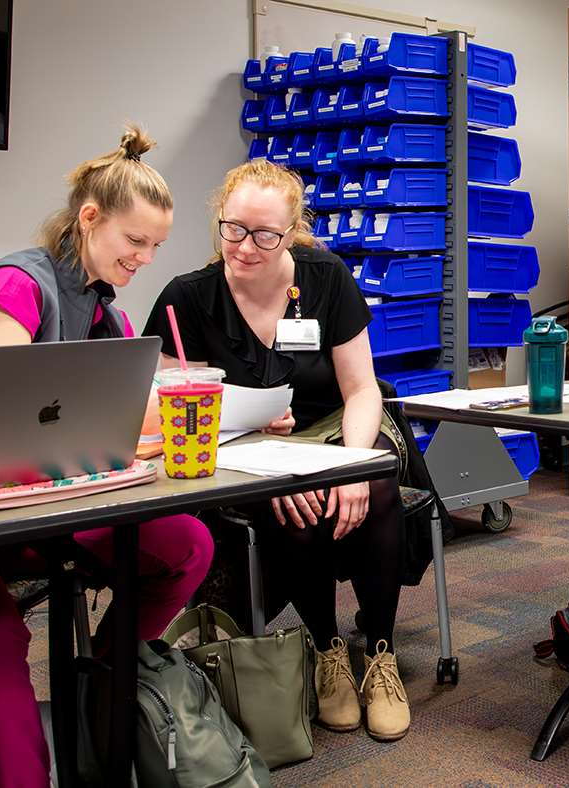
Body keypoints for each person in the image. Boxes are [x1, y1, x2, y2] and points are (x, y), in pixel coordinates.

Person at [0, 126, 215, 788]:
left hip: (28, 500)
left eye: (157, 247)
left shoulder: (98, 306)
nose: (145, 258)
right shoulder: (16, 283)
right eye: (135, 241)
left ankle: (108, 683)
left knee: (185, 545)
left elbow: (122, 405)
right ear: (90, 218)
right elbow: (5, 392)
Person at [143, 159, 410, 742]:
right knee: (292, 504)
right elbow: (163, 415)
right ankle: (329, 650)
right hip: (249, 449)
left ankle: (382, 654)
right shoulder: (186, 298)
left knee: (381, 485)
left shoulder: (325, 277)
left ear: (293, 231)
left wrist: (350, 466)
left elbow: (363, 389)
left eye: (265, 235)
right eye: (233, 229)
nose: (244, 247)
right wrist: (249, 438)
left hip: (339, 428)